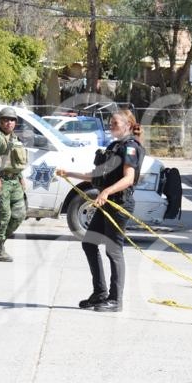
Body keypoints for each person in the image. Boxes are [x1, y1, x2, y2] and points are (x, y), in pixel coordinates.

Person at [56, 110, 144, 313]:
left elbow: (128, 178)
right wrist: (68, 173)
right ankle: (100, 293)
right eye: (110, 122)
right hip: (105, 202)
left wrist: (106, 191)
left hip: (119, 204)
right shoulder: (114, 146)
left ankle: (115, 300)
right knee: (89, 243)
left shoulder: (130, 148)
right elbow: (96, 175)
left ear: (128, 126)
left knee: (113, 250)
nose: (111, 125)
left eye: (115, 123)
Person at [0, 107, 27, 262]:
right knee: (4, 216)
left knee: (20, 214)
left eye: (12, 120)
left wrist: (21, 177)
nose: (9, 123)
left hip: (15, 181)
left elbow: (15, 161)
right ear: (0, 121)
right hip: (2, 181)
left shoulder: (15, 138)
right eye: (6, 120)